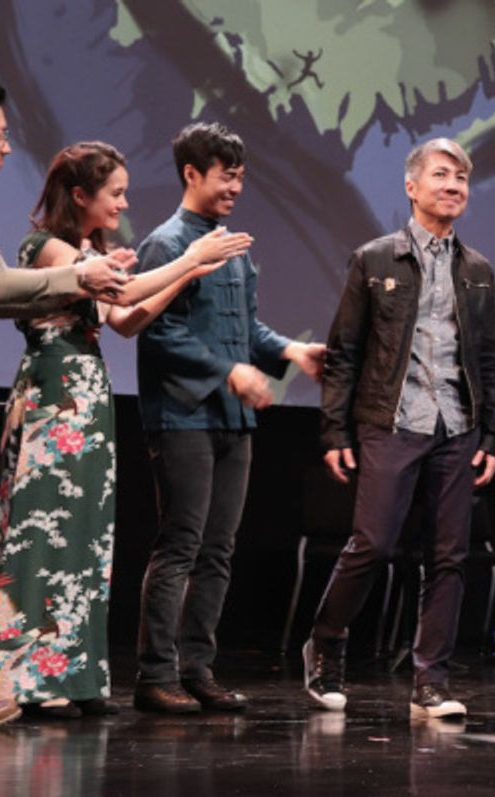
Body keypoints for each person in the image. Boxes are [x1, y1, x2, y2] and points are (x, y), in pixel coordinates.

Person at [0, 141, 253, 718]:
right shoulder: (46, 248)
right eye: (116, 193)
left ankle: (75, 678)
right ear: (80, 196)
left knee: (85, 538)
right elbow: (120, 295)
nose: (124, 203)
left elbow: (123, 320)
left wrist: (189, 271)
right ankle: (29, 679)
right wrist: (189, 257)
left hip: (88, 399)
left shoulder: (89, 249)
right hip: (54, 397)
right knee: (42, 533)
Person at [0, 71, 131, 729]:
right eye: (0, 135)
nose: (8, 148)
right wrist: (76, 273)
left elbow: (5, 297)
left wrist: (76, 279)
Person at [304, 138, 495, 719]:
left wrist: (490, 436)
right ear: (412, 187)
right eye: (442, 175)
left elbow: (489, 359)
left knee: (449, 557)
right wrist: (335, 432)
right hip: (391, 420)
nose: (454, 186)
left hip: (456, 424)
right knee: (373, 544)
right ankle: (326, 646)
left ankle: (430, 683)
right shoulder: (375, 259)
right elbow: (344, 351)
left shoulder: (478, 270)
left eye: (462, 178)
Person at [132, 122, 325, 714]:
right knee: (181, 545)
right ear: (192, 174)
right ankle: (155, 675)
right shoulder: (169, 244)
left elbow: (243, 327)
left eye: (240, 176)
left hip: (232, 421)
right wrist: (227, 372)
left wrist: (287, 350)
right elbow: (157, 332)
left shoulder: (230, 246)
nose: (235, 187)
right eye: (225, 175)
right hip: (183, 416)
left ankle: (197, 668)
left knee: (218, 549)